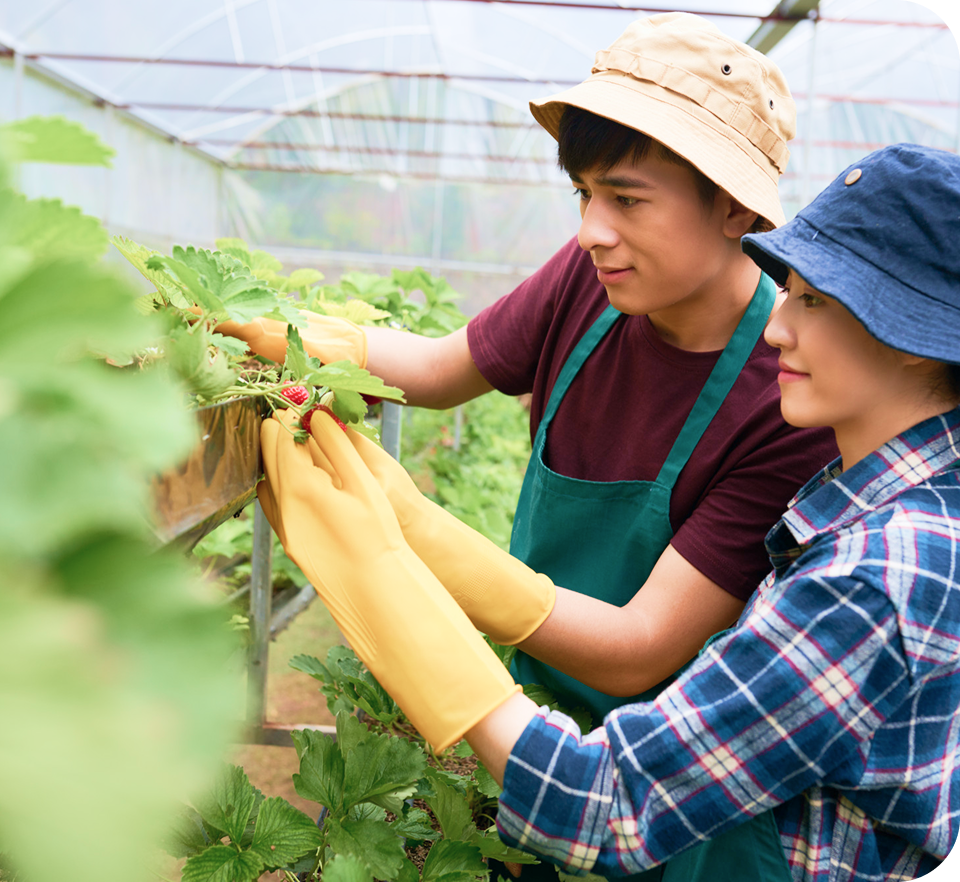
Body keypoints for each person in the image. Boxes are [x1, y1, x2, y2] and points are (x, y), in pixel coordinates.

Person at [258, 142, 960, 881]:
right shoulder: (874, 498)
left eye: (813, 301)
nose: (778, 327)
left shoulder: (878, 577)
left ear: (914, 337)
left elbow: (605, 800)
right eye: (789, 291)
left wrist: (390, 579)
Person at [223, 11, 837, 721]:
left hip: (658, 752)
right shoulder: (592, 280)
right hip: (529, 696)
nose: (591, 231)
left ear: (732, 208)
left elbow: (641, 646)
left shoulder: (790, 396)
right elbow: (439, 369)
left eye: (626, 199)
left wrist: (417, 532)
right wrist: (282, 335)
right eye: (584, 193)